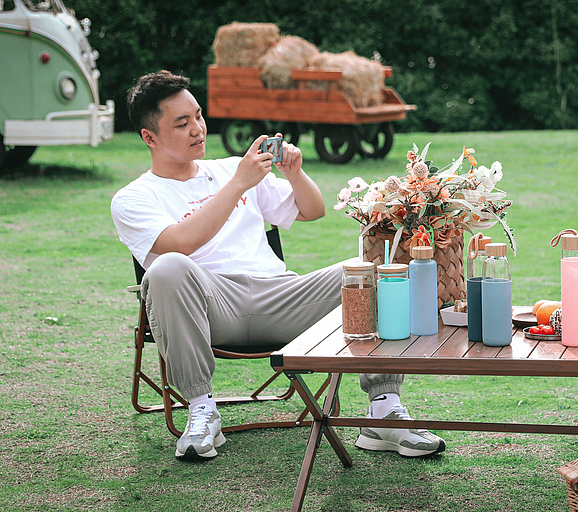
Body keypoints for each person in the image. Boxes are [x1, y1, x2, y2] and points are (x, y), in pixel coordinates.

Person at [111, 70, 445, 460]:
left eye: (198, 116)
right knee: (167, 267)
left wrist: (294, 173)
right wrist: (238, 184)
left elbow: (313, 210)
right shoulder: (134, 197)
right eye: (181, 123)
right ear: (149, 137)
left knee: (368, 269)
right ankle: (202, 410)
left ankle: (383, 410)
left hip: (282, 297)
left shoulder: (230, 167)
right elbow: (180, 244)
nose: (197, 129)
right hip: (210, 305)